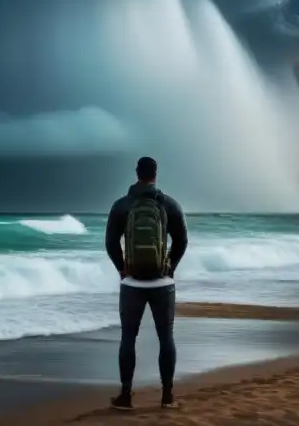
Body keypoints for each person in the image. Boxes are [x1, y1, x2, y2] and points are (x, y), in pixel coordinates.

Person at [104, 156, 189, 411]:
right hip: (162, 284)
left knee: (128, 338)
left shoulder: (122, 205)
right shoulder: (170, 205)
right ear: (155, 174)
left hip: (132, 285)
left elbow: (110, 243)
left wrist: (122, 268)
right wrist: (169, 267)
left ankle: (126, 396)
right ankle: (167, 397)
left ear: (136, 173)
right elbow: (182, 241)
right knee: (166, 338)